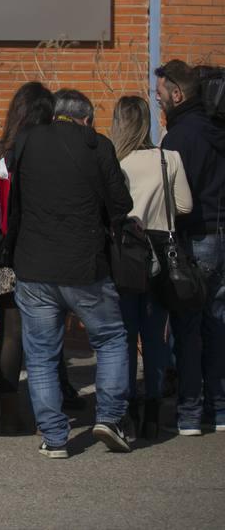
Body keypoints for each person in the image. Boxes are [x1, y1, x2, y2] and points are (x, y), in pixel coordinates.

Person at [10, 89, 134, 457]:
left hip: (33, 265)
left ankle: (54, 436)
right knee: (110, 339)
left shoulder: (27, 140)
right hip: (85, 265)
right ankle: (109, 418)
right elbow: (121, 204)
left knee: (42, 354)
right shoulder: (97, 145)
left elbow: (13, 200)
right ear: (86, 118)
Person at [0, 82, 62, 435]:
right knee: (48, 327)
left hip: (5, 253)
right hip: (45, 249)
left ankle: (8, 409)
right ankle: (52, 405)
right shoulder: (53, 148)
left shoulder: (0, 151)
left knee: (9, 331)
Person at [110, 94, 193, 440]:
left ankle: (127, 406)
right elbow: (185, 206)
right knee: (156, 334)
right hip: (161, 249)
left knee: (124, 335)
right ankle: (154, 410)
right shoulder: (167, 158)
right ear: (146, 120)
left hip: (125, 252)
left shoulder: (113, 160)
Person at [156, 60, 225, 435]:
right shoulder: (216, 128)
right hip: (222, 234)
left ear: (177, 95)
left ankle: (189, 412)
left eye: (161, 92)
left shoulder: (180, 138)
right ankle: (220, 409)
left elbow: (176, 199)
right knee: (218, 325)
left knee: (188, 328)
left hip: (195, 239)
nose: (157, 98)